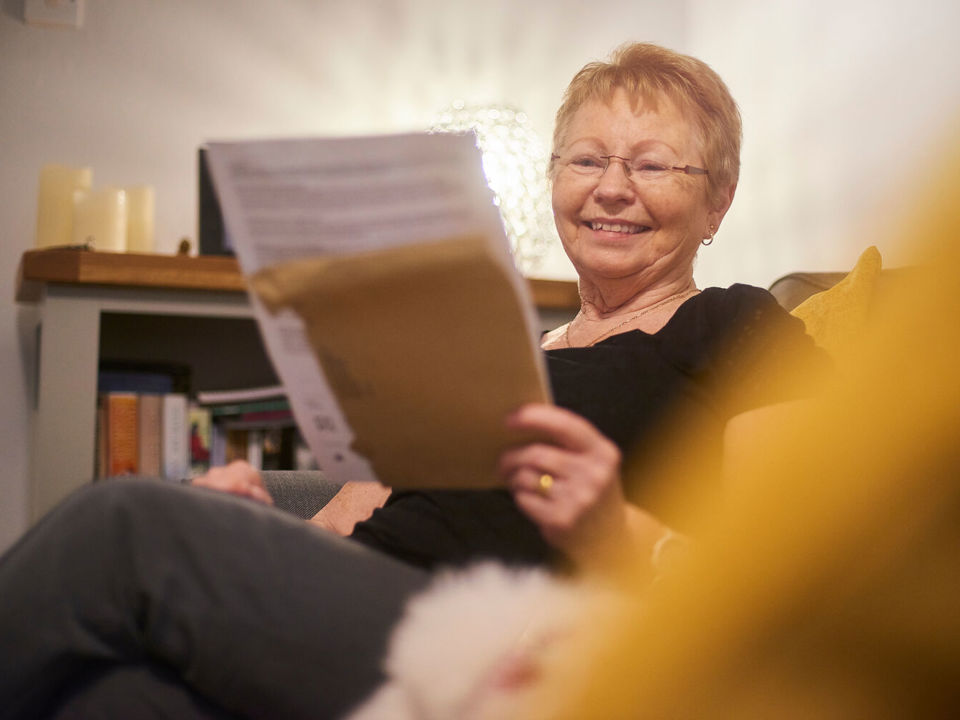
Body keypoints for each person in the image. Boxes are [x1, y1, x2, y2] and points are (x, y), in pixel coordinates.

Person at [0, 42, 829, 719]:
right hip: (364, 615)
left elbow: (783, 574)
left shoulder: (740, 326)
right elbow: (346, 517)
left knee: (127, 520)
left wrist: (617, 533)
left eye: (651, 166)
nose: (611, 187)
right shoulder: (491, 346)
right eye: (586, 159)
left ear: (717, 203)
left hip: (514, 644)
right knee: (113, 696)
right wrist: (253, 530)